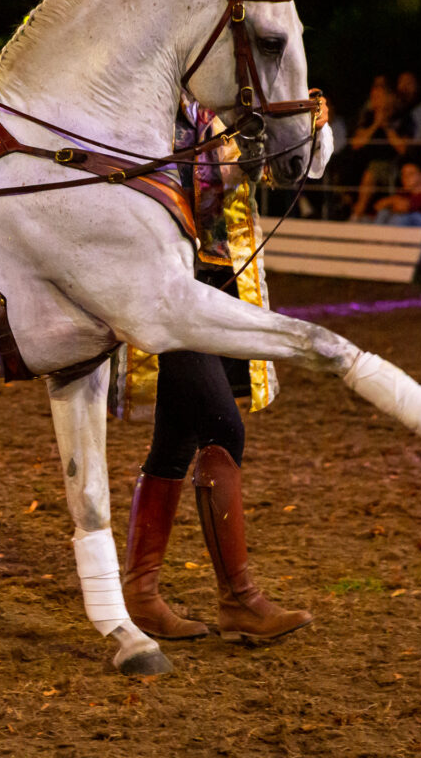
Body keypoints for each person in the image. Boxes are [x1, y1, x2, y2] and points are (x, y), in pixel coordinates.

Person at [120, 99, 313, 644]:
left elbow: (283, 169)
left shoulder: (222, 111)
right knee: (223, 429)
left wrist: (304, 128)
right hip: (171, 289)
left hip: (222, 282)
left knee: (176, 440)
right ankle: (240, 601)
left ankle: (141, 594)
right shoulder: (149, 108)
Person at [343, 80, 408, 219]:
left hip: (391, 166)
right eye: (372, 97)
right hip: (363, 165)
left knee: (373, 170)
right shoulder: (368, 117)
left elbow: (403, 149)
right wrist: (375, 124)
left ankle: (357, 214)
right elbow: (356, 144)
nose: (374, 101)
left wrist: (386, 126)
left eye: (378, 97)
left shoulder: (402, 117)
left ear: (389, 98)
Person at [373, 157, 421, 259]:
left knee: (409, 217)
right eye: (403, 175)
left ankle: (386, 253)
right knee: (384, 213)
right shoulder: (404, 194)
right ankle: (376, 248)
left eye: (410, 174)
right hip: (414, 241)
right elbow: (378, 206)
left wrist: (392, 201)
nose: (405, 178)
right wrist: (392, 202)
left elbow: (404, 207)